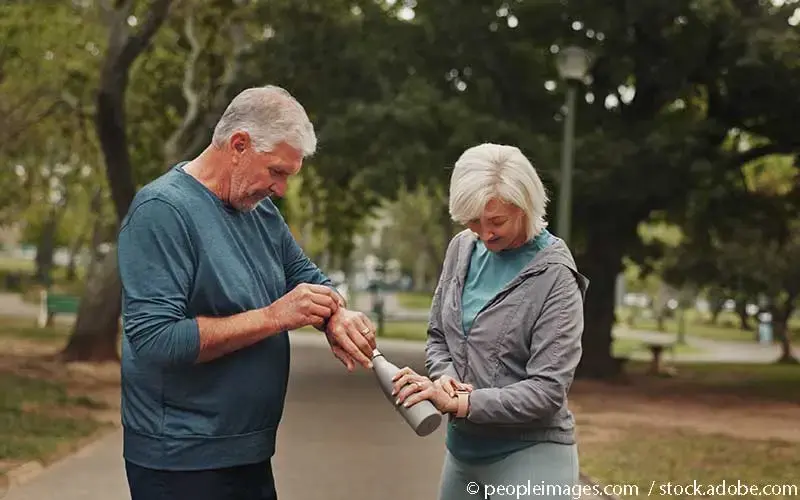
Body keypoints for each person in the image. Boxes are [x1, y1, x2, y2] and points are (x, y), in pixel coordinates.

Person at [117, 85, 377, 500]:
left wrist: (336, 316)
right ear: (238, 145)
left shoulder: (259, 211)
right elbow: (156, 340)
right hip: (183, 459)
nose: (281, 189)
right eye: (276, 172)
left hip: (248, 452)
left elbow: (305, 277)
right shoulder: (162, 211)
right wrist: (275, 317)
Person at [392, 143, 589, 500]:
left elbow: (547, 390)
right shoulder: (462, 249)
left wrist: (463, 404)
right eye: (472, 222)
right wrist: (446, 377)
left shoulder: (556, 276)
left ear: (526, 205)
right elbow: (439, 336)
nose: (484, 234)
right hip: (462, 455)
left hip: (531, 456)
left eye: (496, 222)